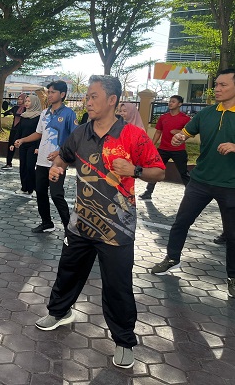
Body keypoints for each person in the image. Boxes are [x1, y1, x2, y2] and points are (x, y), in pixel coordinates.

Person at [34, 75, 165, 369]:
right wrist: (57, 168)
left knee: (118, 285)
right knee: (68, 271)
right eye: (87, 97)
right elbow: (63, 157)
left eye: (93, 96)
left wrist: (134, 170)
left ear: (112, 100)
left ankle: (124, 340)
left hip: (117, 226)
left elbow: (159, 171)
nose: (88, 102)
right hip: (82, 221)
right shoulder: (80, 133)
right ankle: (59, 312)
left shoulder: (133, 135)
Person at [150, 68, 235, 300]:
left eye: (223, 85)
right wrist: (180, 137)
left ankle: (233, 276)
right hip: (200, 180)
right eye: (216, 85)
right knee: (181, 222)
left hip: (231, 185)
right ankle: (172, 258)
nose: (217, 89)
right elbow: (185, 133)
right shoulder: (206, 113)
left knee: (232, 234)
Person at [15, 81, 78, 233]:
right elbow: (39, 133)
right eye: (48, 92)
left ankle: (69, 229)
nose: (49, 95)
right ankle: (47, 223)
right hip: (42, 161)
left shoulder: (69, 114)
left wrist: (60, 152)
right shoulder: (44, 113)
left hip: (58, 163)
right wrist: (23, 140)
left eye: (52, 92)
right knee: (40, 192)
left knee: (56, 195)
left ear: (62, 94)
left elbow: (75, 138)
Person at [139, 95, 190, 201]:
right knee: (155, 170)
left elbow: (190, 133)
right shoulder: (163, 117)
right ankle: (148, 192)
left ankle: (191, 194)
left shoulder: (185, 118)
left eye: (173, 101)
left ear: (179, 104)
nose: (170, 103)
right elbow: (158, 132)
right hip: (163, 149)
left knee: (183, 172)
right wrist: (152, 145)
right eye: (170, 101)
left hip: (178, 150)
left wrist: (178, 132)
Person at [12, 95, 43, 196]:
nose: (26, 103)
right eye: (26, 101)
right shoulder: (24, 116)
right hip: (23, 144)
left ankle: (34, 188)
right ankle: (24, 188)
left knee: (30, 167)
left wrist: (38, 147)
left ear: (34, 102)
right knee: (23, 166)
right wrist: (15, 141)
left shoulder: (39, 116)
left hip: (33, 145)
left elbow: (40, 133)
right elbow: (19, 130)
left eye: (29, 101)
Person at [1, 93, 27, 170]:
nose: (19, 101)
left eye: (21, 99)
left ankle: (24, 165)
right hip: (14, 129)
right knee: (11, 145)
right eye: (18, 99)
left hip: (22, 130)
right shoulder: (15, 108)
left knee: (23, 147)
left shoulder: (26, 109)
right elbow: (7, 112)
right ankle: (8, 163)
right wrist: (6, 112)